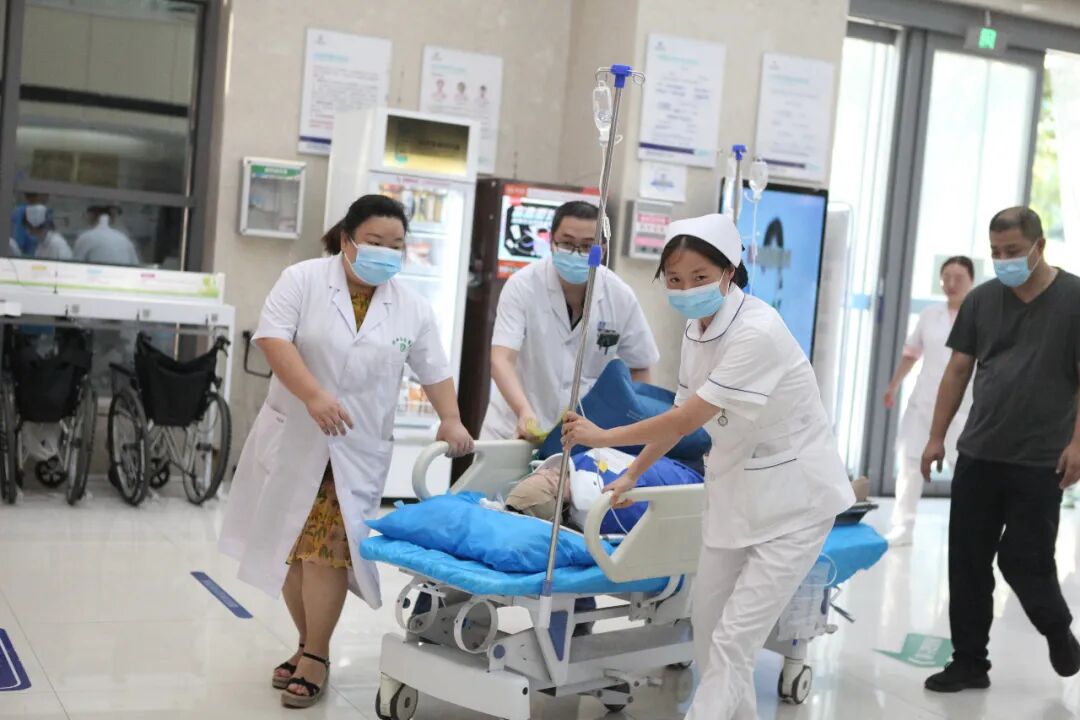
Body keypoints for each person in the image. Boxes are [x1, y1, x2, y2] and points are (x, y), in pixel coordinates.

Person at [562, 213, 854, 719]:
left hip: (796, 501)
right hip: (736, 489)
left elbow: (689, 417)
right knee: (710, 634)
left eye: (699, 277)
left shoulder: (758, 331)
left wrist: (604, 437)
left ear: (729, 272)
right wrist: (632, 473)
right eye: (675, 279)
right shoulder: (697, 329)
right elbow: (678, 419)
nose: (685, 289)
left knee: (734, 642)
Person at [218, 195, 474, 708]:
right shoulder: (303, 279)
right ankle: (307, 645)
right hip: (295, 436)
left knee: (325, 549)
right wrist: (312, 395)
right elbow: (273, 339)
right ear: (346, 239)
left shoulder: (411, 306)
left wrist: (450, 417)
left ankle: (315, 654)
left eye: (396, 245)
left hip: (355, 447)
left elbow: (434, 368)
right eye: (375, 242)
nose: (386, 253)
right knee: (292, 547)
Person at [921, 207, 1080, 693]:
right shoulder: (982, 300)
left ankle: (1057, 630)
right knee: (967, 563)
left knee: (1024, 558)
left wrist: (1078, 443)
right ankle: (970, 662)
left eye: (1012, 251)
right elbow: (957, 370)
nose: (1003, 260)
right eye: (995, 252)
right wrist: (936, 436)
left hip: (1041, 459)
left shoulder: (1074, 299)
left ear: (1039, 247)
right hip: (980, 454)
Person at [482, 200, 660, 441]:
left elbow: (640, 365)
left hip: (582, 434)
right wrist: (523, 410)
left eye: (587, 246)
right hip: (513, 428)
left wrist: (629, 425)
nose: (576, 253)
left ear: (602, 250)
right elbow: (501, 360)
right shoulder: (522, 286)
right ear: (551, 242)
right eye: (566, 243)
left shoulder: (619, 295)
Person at [882, 256, 975, 545]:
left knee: (964, 468)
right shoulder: (929, 314)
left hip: (964, 405)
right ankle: (903, 526)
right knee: (910, 463)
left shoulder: (978, 315)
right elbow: (912, 353)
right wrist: (893, 386)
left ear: (971, 281)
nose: (951, 283)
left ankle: (968, 530)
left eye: (958, 278)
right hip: (924, 401)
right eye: (946, 277)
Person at [73, 205, 139, 266]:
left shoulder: (86, 237)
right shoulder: (124, 239)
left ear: (91, 216)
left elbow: (76, 264)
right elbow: (135, 264)